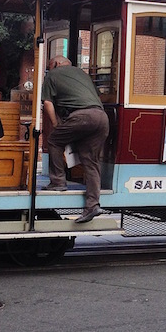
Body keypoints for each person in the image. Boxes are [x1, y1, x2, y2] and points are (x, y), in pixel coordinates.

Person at [41, 56, 109, 223]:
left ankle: (58, 181)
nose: (50, 69)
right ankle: (92, 206)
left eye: (50, 65)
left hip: (81, 117)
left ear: (56, 64)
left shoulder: (52, 75)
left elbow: (48, 103)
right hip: (101, 117)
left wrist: (56, 124)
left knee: (54, 141)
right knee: (91, 162)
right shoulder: (83, 74)